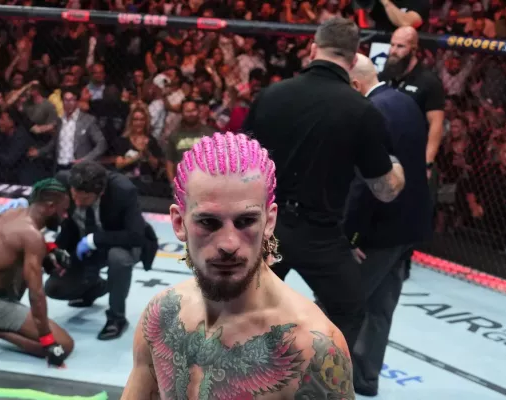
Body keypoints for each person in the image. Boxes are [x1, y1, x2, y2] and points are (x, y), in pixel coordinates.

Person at [121, 131, 356, 399]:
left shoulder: (312, 346)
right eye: (208, 222)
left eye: (245, 221)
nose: (229, 244)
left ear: (269, 221)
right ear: (178, 223)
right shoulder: (162, 315)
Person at [242, 17, 405, 351]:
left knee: (245, 309)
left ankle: (242, 371)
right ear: (354, 58)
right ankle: (321, 375)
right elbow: (385, 189)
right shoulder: (361, 110)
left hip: (268, 224)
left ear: (313, 49)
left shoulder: (272, 95)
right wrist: (396, 163)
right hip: (320, 234)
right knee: (349, 311)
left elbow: (241, 163)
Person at [345, 54, 432, 396]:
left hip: (379, 229)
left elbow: (368, 181)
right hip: (407, 227)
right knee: (380, 307)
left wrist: (352, 234)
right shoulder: (405, 102)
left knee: (342, 302)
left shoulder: (372, 111)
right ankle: (365, 380)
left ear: (356, 85)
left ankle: (320, 379)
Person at [2, 161, 159, 341]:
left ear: (100, 192)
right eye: (74, 196)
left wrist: (95, 240)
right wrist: (26, 205)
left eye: (84, 199)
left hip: (119, 242)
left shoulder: (122, 190)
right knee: (55, 288)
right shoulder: (64, 180)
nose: (76, 202)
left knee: (118, 258)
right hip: (80, 243)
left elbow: (136, 236)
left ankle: (117, 318)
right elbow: (43, 200)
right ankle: (96, 287)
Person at [0, 178, 74, 368]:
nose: (64, 216)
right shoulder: (31, 236)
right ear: (50, 207)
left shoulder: (11, 214)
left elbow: (18, 245)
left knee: (33, 262)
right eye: (62, 210)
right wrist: (47, 340)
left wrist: (50, 250)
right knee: (65, 345)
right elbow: (36, 295)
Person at [379, 26, 445, 280]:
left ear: (414, 49)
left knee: (408, 213)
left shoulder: (428, 82)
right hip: (384, 154)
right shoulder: (386, 75)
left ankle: (401, 264)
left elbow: (436, 125)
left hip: (412, 159)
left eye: (400, 46)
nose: (394, 51)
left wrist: (427, 163)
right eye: (392, 45)